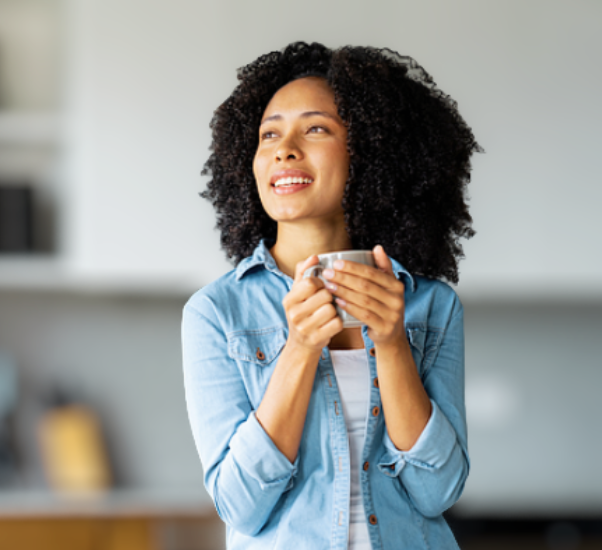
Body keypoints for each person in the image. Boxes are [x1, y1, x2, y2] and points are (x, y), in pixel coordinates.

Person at [181, 41, 480, 550]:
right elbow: (240, 506)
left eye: (315, 128)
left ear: (370, 151)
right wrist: (299, 348)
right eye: (269, 133)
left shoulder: (430, 306)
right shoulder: (217, 313)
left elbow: (438, 490)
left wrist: (391, 344)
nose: (284, 148)